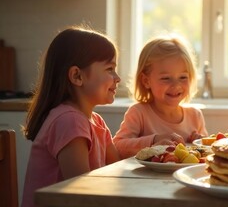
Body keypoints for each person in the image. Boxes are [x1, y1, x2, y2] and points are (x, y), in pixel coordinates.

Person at [21, 27, 121, 207]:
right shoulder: (69, 121)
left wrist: (156, 150)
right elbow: (81, 193)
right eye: (110, 69)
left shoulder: (96, 121)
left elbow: (118, 170)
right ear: (77, 76)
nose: (118, 77)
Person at [113, 35, 207, 159]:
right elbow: (117, 146)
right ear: (146, 81)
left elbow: (205, 154)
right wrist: (154, 141)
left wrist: (200, 142)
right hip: (145, 178)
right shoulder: (139, 113)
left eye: (183, 77)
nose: (176, 85)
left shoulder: (195, 116)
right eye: (166, 78)